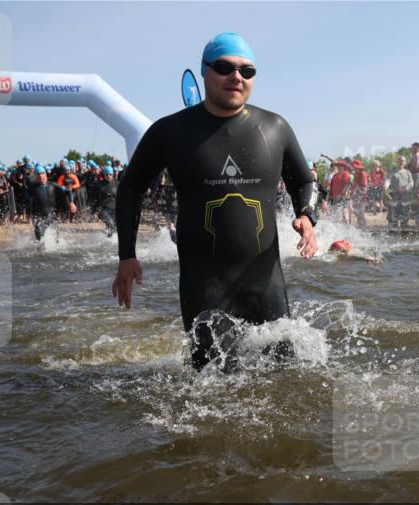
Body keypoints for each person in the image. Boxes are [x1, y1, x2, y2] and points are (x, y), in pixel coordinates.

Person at [112, 33, 318, 372]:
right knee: (211, 385)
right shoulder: (170, 132)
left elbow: (305, 181)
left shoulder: (275, 127)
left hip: (265, 284)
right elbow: (131, 187)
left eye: (247, 71)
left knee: (285, 381)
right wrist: (127, 256)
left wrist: (307, 217)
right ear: (205, 72)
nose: (236, 76)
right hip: (204, 286)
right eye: (224, 67)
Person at [385, 154, 414, 227]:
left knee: (405, 211)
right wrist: (385, 186)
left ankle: (405, 225)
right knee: (392, 210)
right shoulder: (392, 171)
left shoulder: (408, 172)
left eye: (403, 161)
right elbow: (388, 180)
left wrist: (405, 189)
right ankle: (392, 225)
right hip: (394, 194)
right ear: (397, 162)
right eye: (400, 160)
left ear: (405, 162)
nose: (401, 162)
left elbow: (411, 183)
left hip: (405, 195)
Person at [351, 160, 368, 227]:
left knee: (361, 212)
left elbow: (364, 187)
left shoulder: (363, 174)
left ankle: (363, 227)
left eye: (354, 167)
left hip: (363, 196)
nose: (353, 168)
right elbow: (355, 185)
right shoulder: (356, 174)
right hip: (357, 195)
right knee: (357, 212)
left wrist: (357, 193)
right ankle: (360, 226)